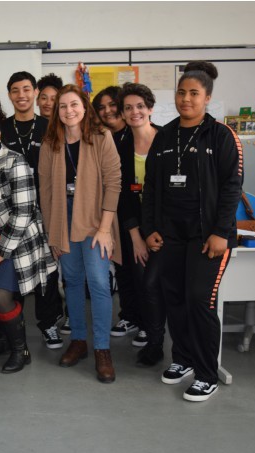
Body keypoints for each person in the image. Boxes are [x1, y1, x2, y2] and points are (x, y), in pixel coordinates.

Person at [141, 61, 242, 401]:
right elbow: (152, 186)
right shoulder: (165, 136)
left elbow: (232, 186)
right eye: (182, 93)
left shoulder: (222, 136)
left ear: (207, 98)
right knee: (177, 300)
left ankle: (206, 373)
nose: (186, 99)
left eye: (194, 94)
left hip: (207, 237)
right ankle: (182, 359)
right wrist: (150, 228)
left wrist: (221, 231)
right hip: (171, 235)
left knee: (200, 301)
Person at [38, 84, 122, 384]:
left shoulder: (101, 138)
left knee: (99, 282)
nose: (69, 111)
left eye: (74, 104)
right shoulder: (50, 143)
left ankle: (102, 348)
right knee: (71, 280)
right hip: (63, 216)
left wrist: (105, 229)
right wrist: (53, 233)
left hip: (95, 218)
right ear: (56, 112)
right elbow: (45, 191)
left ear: (84, 108)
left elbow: (114, 183)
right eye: (63, 106)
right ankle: (78, 340)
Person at [0, 111, 57, 374]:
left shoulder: (15, 162)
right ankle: (0, 341)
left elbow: (25, 211)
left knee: (1, 296)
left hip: (16, 242)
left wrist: (1, 251)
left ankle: (20, 350)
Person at [1, 71, 65, 349]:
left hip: (44, 210)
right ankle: (13, 326)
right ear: (10, 95)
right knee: (12, 270)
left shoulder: (51, 126)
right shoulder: (0, 128)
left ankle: (49, 323)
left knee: (46, 271)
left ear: (35, 92)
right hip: (11, 211)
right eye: (15, 90)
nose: (22, 95)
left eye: (27, 89)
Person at [111, 83, 162, 354]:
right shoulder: (120, 144)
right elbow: (121, 194)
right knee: (140, 276)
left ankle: (156, 330)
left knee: (158, 282)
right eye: (128, 108)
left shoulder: (167, 139)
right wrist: (136, 236)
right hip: (133, 222)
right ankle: (147, 327)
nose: (135, 112)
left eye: (140, 106)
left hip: (164, 224)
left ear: (150, 108)